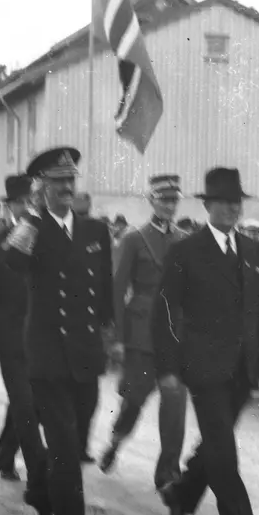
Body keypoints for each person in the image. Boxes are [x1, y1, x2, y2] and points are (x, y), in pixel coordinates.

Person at [152, 167, 259, 515]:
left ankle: (180, 495)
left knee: (215, 444)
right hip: (204, 368)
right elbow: (165, 313)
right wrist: (169, 367)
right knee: (224, 449)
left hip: (244, 367)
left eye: (235, 203)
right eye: (222, 203)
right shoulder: (186, 252)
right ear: (207, 206)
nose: (230, 209)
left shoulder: (255, 251)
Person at [3, 147, 114, 515]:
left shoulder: (95, 231)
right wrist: (31, 214)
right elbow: (12, 261)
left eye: (71, 181)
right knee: (66, 453)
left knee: (75, 444)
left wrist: (109, 336)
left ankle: (39, 492)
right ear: (41, 187)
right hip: (48, 359)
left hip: (86, 357)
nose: (67, 188)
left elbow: (102, 291)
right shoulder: (32, 229)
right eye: (57, 182)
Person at [99, 174, 189, 490]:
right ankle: (115, 441)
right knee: (134, 399)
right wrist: (120, 340)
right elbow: (117, 290)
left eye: (174, 200)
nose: (169, 206)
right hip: (141, 333)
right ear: (151, 201)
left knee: (175, 403)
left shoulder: (184, 240)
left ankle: (168, 471)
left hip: (175, 333)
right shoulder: (133, 239)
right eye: (164, 199)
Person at [0, 175, 48, 492]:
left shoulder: (47, 239)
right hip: (8, 335)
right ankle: (38, 470)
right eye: (18, 202)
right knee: (24, 400)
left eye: (28, 202)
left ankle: (5, 455)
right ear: (9, 206)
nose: (23, 208)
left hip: (40, 336)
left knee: (31, 403)